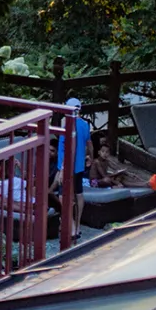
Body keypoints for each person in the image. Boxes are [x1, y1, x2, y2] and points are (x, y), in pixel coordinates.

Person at [54, 97, 93, 242]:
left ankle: (70, 226)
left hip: (67, 167)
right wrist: (91, 157)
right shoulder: (84, 125)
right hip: (79, 166)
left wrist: (63, 168)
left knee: (63, 196)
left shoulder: (67, 126)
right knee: (78, 193)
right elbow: (89, 143)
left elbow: (66, 149)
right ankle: (77, 225)